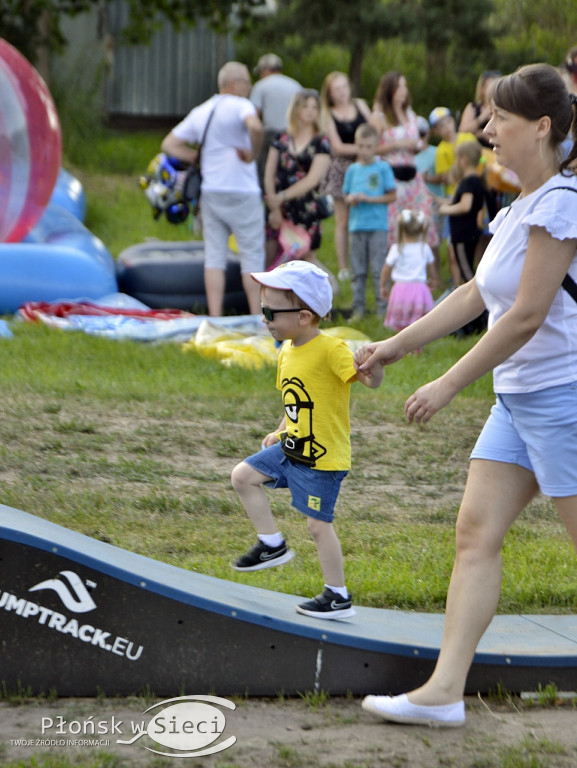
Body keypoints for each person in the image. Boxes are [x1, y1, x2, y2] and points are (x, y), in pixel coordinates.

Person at [356, 62, 577, 728]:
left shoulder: (563, 202)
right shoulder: (518, 206)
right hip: (518, 401)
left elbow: (525, 316)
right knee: (473, 535)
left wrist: (449, 383)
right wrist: (393, 347)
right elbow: (473, 295)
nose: (484, 129)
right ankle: (443, 691)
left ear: (539, 128)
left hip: (563, 401)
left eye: (498, 119)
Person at [230, 260, 384, 619]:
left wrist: (375, 365)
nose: (263, 318)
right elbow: (298, 399)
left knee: (318, 525)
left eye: (269, 311)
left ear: (303, 316)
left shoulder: (331, 349)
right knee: (243, 476)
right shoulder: (287, 350)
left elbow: (368, 381)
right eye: (261, 309)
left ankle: (338, 596)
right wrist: (280, 428)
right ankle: (271, 544)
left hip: (322, 457)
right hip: (290, 446)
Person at [161, 61, 264, 317]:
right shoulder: (242, 105)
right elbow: (256, 127)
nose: (249, 88)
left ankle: (215, 318)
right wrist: (253, 154)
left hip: (212, 192)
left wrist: (196, 157)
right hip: (243, 192)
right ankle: (256, 319)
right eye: (246, 82)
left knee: (214, 257)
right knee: (251, 257)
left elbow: (169, 144)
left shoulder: (202, 110)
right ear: (233, 83)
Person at [264, 90, 337, 289]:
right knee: (273, 253)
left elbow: (313, 179)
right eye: (305, 106)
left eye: (314, 107)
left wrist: (282, 196)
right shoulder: (282, 137)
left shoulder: (321, 141)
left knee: (305, 255)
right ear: (296, 108)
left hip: (305, 207)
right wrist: (275, 207)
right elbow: (269, 174)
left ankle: (327, 289)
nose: (310, 111)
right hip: (279, 207)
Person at [370, 71, 439, 252]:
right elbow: (370, 148)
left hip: (412, 173)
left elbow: (416, 142)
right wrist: (397, 143)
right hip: (391, 175)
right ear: (389, 90)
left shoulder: (410, 114)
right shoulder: (380, 116)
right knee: (394, 223)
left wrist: (415, 146)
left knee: (422, 216)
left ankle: (419, 261)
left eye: (405, 86)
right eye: (399, 86)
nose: (403, 91)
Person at [319, 71, 372, 281]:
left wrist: (367, 150)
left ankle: (364, 262)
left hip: (365, 166)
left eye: (344, 87)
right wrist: (364, 148)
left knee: (365, 216)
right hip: (342, 169)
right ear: (330, 94)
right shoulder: (328, 113)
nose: (342, 92)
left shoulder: (360, 105)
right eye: (336, 89)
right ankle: (343, 266)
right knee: (343, 220)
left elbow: (374, 131)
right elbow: (337, 146)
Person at [342, 123, 397, 321]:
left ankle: (383, 309)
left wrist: (369, 198)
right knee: (358, 270)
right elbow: (346, 195)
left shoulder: (383, 167)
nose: (364, 150)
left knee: (378, 269)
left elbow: (392, 196)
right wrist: (352, 199)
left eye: (368, 146)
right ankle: (358, 309)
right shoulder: (352, 170)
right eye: (361, 146)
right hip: (356, 226)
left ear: (376, 146)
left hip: (377, 226)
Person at [429, 106, 477, 287]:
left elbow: (480, 160)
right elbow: (445, 177)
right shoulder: (441, 150)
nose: (447, 127)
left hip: (470, 196)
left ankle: (471, 283)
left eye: (448, 122)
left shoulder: (468, 138)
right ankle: (459, 285)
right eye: (441, 125)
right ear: (436, 130)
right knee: (454, 248)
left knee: (476, 244)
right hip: (454, 196)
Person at [250, 53, 302, 189]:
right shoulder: (294, 85)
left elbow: (254, 114)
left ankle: (265, 194)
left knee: (265, 169)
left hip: (269, 135)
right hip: (293, 133)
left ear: (266, 70)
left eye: (261, 72)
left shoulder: (261, 86)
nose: (260, 75)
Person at [380, 208, 436, 332]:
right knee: (419, 322)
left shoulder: (397, 248)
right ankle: (417, 346)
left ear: (401, 230)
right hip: (419, 289)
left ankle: (401, 344)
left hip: (400, 289)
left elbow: (386, 269)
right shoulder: (424, 248)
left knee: (401, 322)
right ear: (422, 229)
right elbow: (431, 267)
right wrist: (432, 279)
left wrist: (383, 285)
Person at [438, 140, 486, 285]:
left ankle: (479, 306)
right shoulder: (475, 180)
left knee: (467, 274)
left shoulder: (468, 182)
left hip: (463, 234)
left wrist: (445, 210)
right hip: (469, 233)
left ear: (463, 160)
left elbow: (465, 206)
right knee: (468, 269)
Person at [415, 115, 444, 281]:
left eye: (422, 133)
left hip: (433, 203)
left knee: (433, 243)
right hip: (415, 205)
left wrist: (425, 178)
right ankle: (422, 276)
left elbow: (443, 177)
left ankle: (436, 277)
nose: (420, 137)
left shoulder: (435, 152)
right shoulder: (408, 155)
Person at [458, 70, 502, 148]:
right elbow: (462, 131)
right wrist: (482, 116)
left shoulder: (502, 108)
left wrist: (482, 134)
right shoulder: (473, 107)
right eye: (490, 87)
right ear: (482, 89)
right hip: (474, 150)